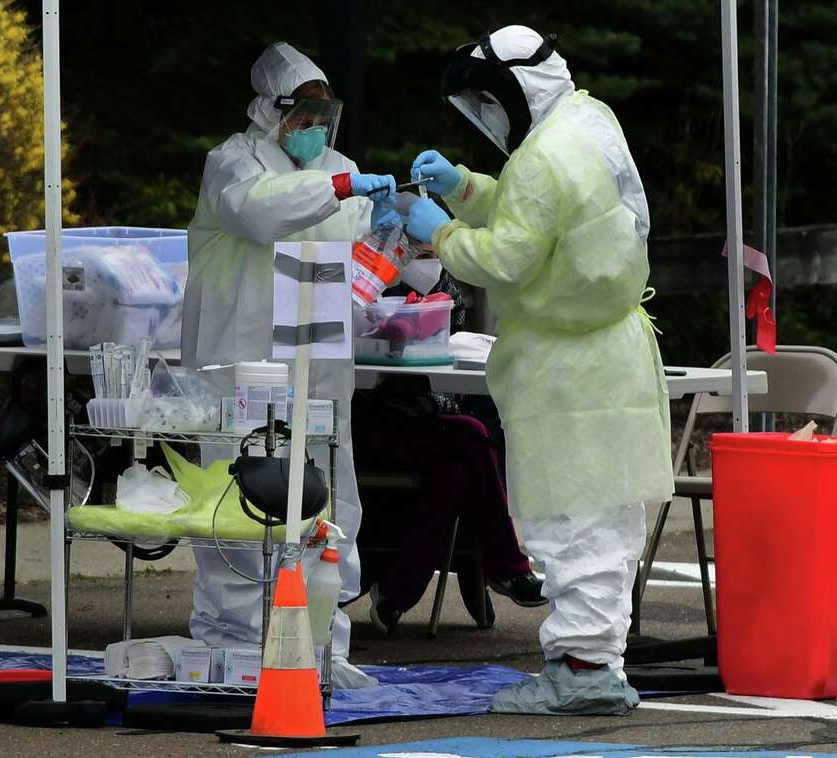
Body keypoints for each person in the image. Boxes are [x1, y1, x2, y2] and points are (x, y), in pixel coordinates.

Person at [405, 25, 673, 715]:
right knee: (606, 519)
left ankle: (581, 672)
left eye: (486, 103)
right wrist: (467, 188)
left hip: (568, 369)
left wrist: (435, 227)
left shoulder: (542, 158)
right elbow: (546, 216)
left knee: (569, 519)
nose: (486, 118)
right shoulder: (588, 120)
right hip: (609, 354)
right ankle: (599, 664)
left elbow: (505, 258)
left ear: (512, 92)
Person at [181, 42, 394, 688]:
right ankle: (237, 648)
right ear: (270, 110)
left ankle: (322, 645)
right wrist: (340, 189)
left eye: (325, 117)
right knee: (236, 502)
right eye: (305, 114)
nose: (317, 130)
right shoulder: (233, 165)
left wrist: (405, 227)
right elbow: (263, 210)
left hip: (318, 368)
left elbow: (375, 254)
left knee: (330, 501)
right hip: (237, 367)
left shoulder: (344, 170)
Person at [353, 267, 545, 636]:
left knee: (459, 464)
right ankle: (506, 569)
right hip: (361, 419)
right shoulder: (363, 273)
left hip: (424, 421)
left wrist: (431, 278)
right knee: (469, 439)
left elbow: (448, 332)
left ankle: (398, 593)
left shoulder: (440, 281)